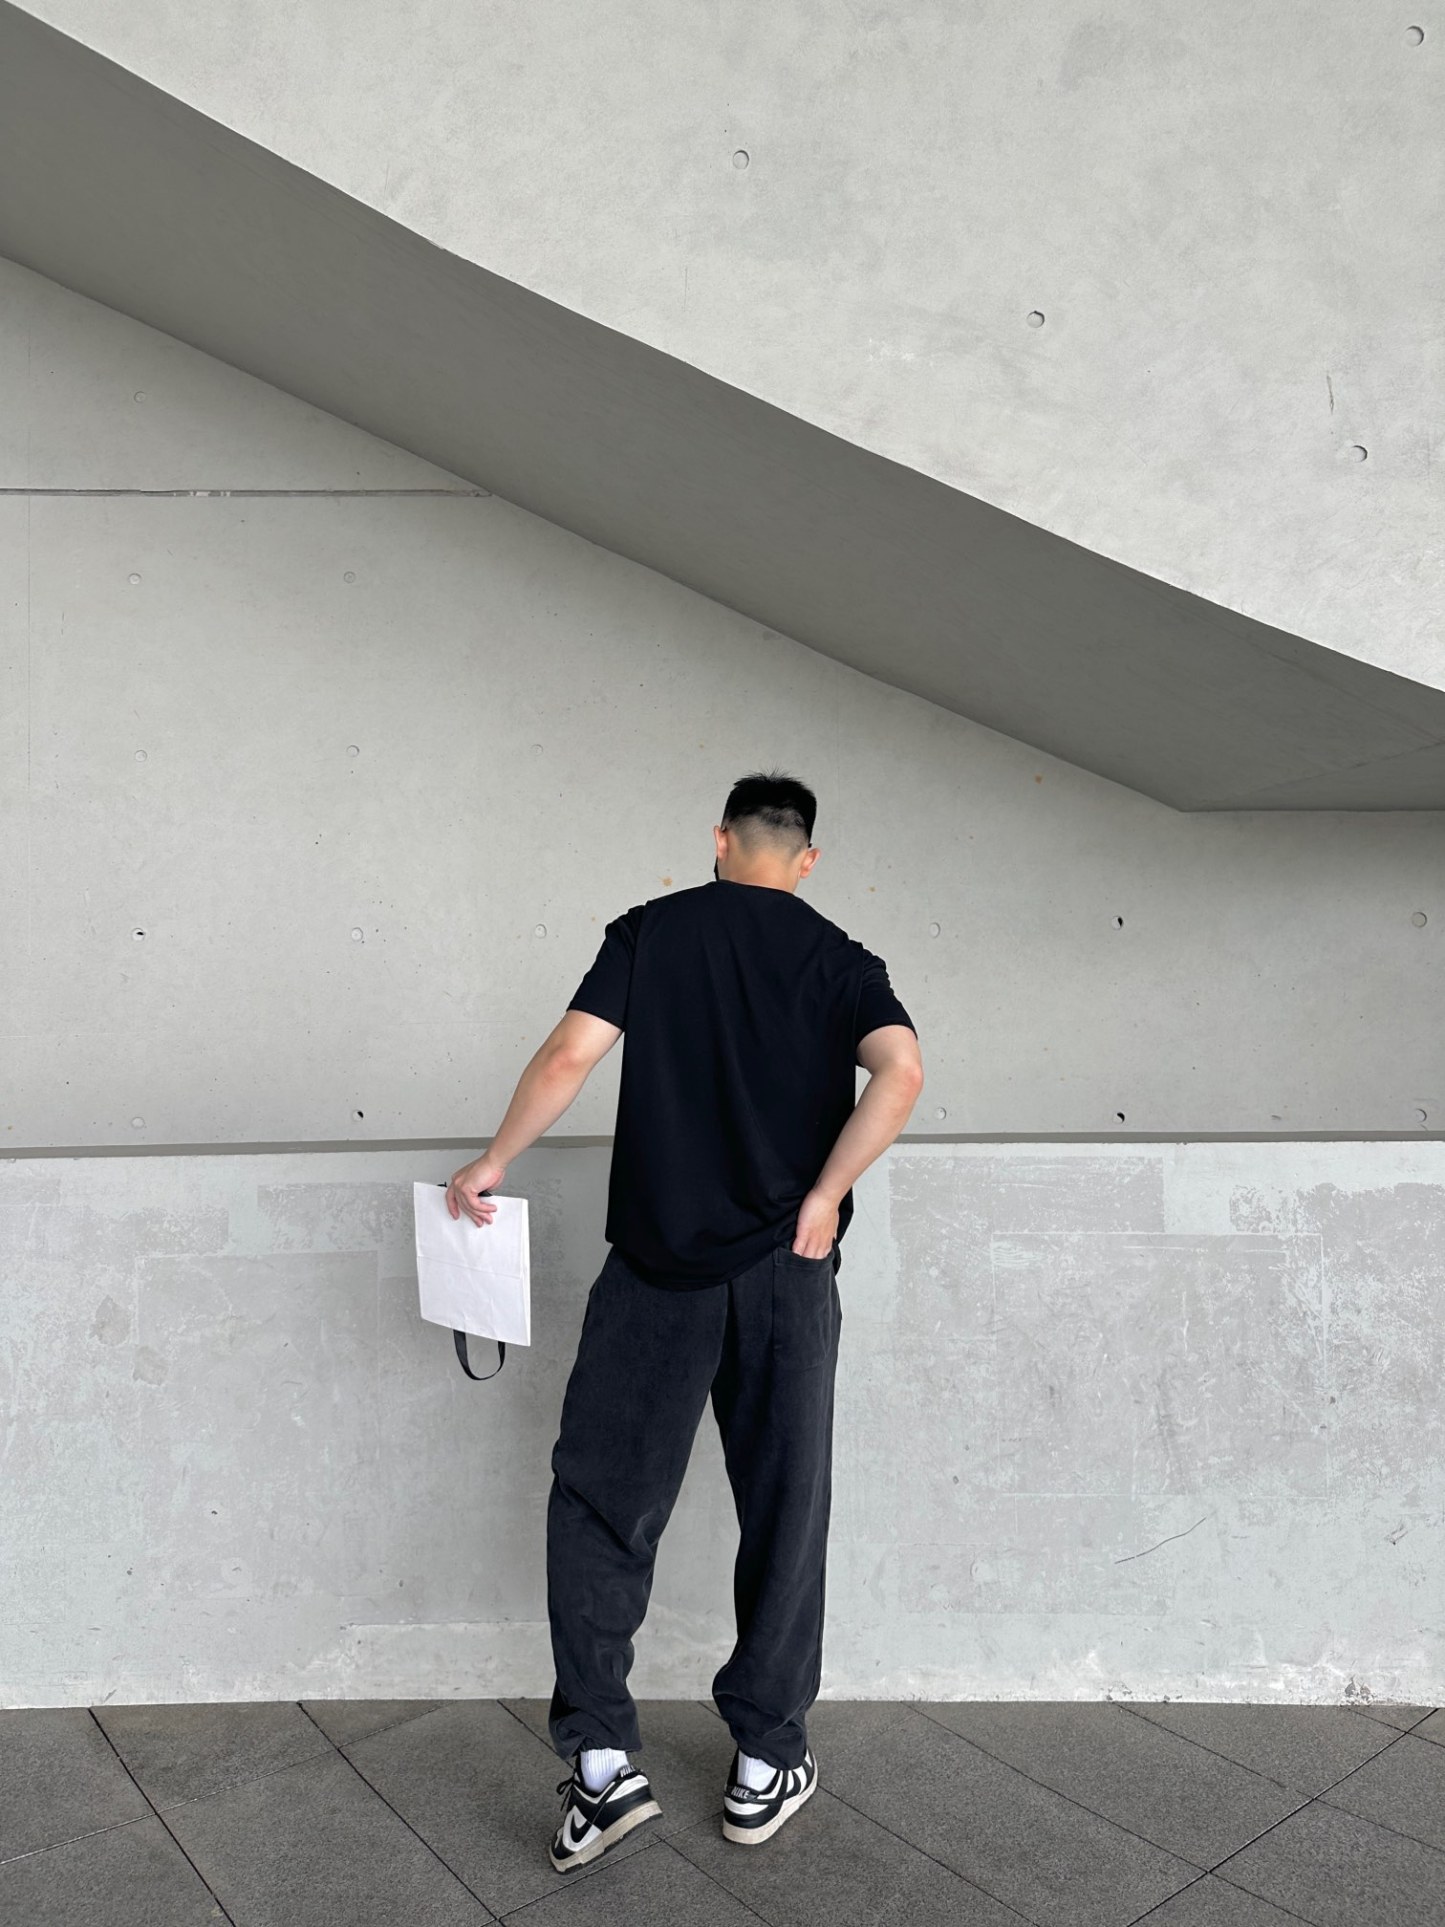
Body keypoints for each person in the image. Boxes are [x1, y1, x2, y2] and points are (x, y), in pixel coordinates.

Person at [447, 770, 923, 1873]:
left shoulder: (649, 932)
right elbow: (899, 1073)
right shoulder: (840, 958)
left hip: (657, 1272)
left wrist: (494, 1160)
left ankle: (603, 1765)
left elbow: (569, 1055)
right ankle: (764, 1762)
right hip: (787, 1272)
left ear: (719, 839)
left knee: (600, 1505)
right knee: (786, 1509)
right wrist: (824, 1194)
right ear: (806, 858)